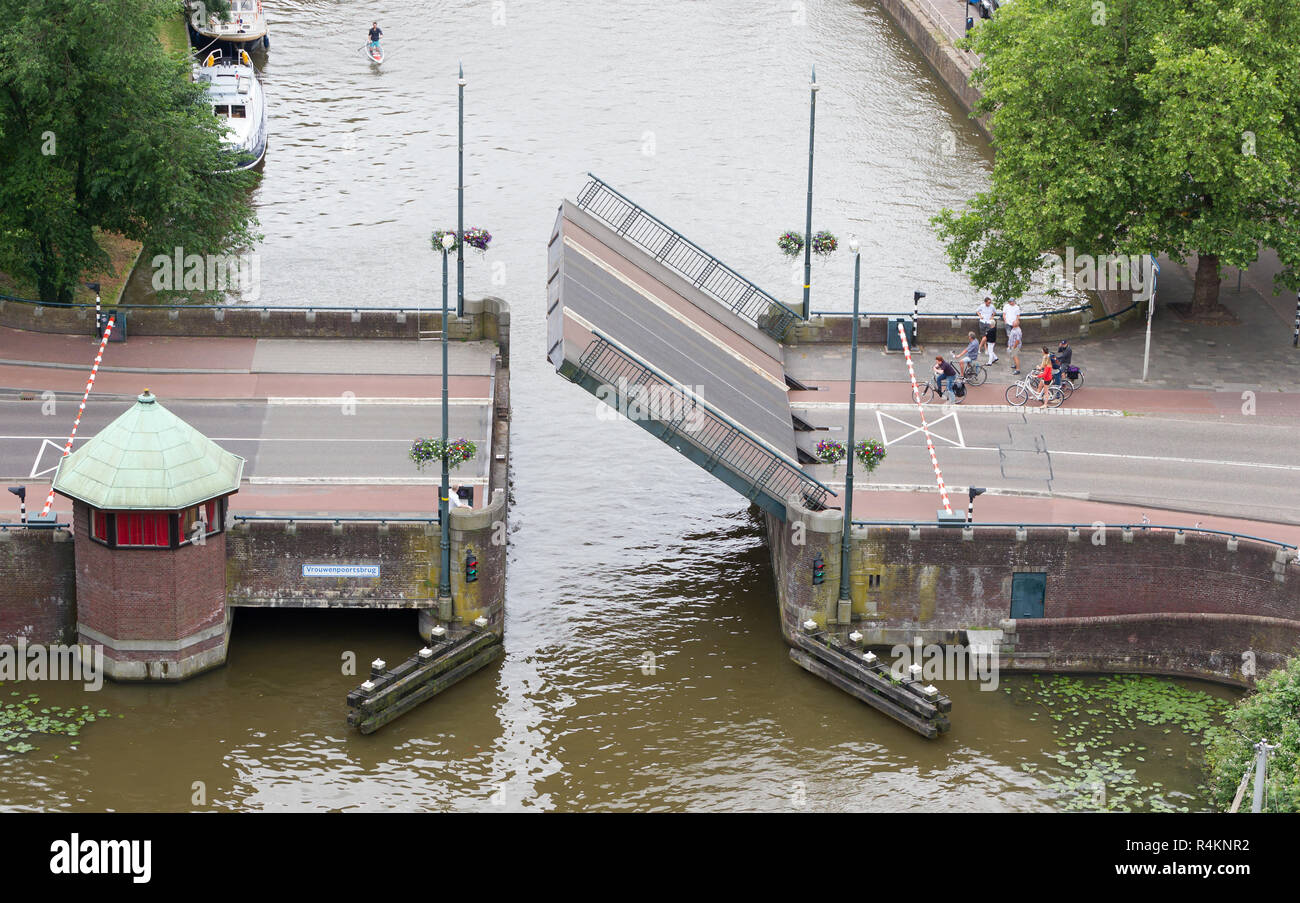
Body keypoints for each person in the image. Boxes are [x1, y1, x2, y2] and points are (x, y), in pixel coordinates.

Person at [1002, 298, 1023, 374]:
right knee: (1014, 356)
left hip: (1015, 346)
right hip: (1013, 345)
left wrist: (1013, 347)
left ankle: (1017, 369)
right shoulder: (1014, 329)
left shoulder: (1016, 331)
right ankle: (1015, 365)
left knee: (1015, 356)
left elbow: (1017, 340)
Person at [977, 296, 998, 364]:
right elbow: (977, 311)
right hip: (983, 321)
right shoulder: (982, 306)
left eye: (990, 302)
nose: (990, 303)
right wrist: (980, 316)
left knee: (986, 337)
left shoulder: (992, 306)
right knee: (984, 336)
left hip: (989, 322)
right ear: (985, 302)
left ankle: (980, 348)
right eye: (988, 302)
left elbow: (994, 312)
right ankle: (985, 349)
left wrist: (992, 317)